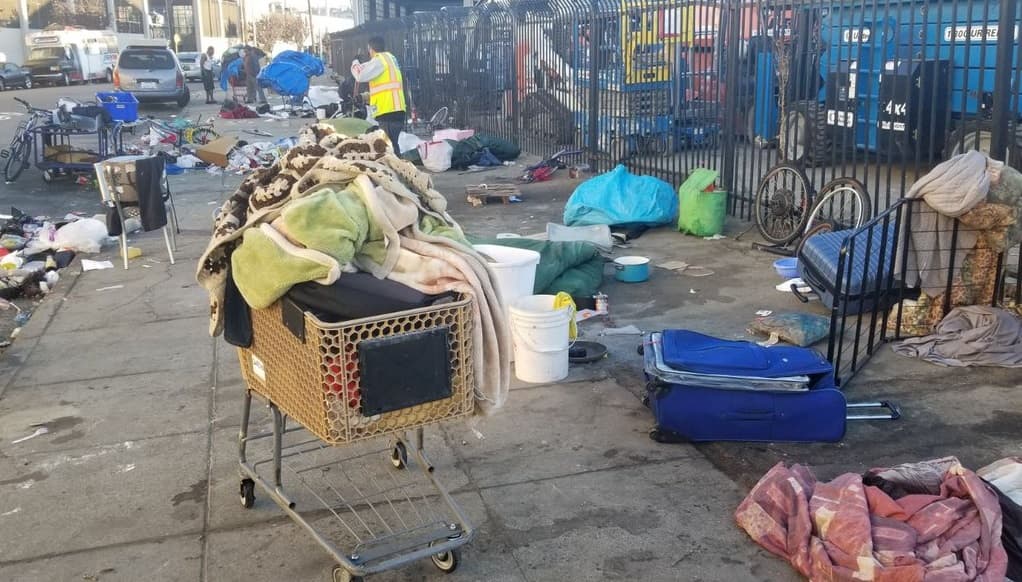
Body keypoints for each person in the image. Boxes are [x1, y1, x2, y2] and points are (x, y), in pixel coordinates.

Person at [351, 36, 407, 149]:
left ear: (370, 49)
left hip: (388, 112)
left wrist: (355, 62)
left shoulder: (379, 60)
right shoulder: (390, 59)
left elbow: (360, 75)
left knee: (388, 148)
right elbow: (384, 88)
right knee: (391, 146)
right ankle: (397, 160)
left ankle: (398, 161)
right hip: (395, 110)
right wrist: (364, 97)